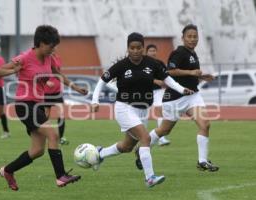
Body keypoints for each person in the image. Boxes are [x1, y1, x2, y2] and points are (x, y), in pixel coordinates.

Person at [91, 32, 194, 188]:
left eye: (139, 47)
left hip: (142, 111)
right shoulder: (122, 65)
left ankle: (100, 154)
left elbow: (167, 79)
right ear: (128, 49)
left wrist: (181, 89)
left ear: (143, 48)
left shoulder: (152, 63)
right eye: (132, 48)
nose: (135, 51)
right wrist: (94, 101)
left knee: (127, 146)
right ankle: (150, 177)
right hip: (124, 108)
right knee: (145, 138)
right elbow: (101, 81)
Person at [0, 25, 87, 191]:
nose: (53, 49)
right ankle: (60, 176)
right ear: (41, 43)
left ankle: (7, 171)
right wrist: (14, 69)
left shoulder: (48, 58)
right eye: (51, 46)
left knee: (37, 151)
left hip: (37, 105)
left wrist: (76, 87)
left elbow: (58, 74)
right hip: (24, 105)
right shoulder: (24, 57)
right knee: (53, 134)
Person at [145, 24, 219, 172]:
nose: (192, 39)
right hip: (174, 98)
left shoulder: (193, 53)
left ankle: (202, 161)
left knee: (205, 125)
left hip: (192, 96)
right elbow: (170, 72)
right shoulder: (178, 53)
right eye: (189, 36)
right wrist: (191, 73)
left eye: (195, 36)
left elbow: (190, 74)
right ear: (183, 38)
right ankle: (143, 147)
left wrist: (202, 76)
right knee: (164, 130)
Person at [145, 44, 170, 146]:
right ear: (146, 52)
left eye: (154, 50)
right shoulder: (142, 63)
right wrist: (156, 81)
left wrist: (166, 82)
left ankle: (161, 138)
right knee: (143, 114)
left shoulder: (160, 63)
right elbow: (142, 76)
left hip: (158, 92)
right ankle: (141, 136)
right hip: (144, 91)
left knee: (160, 111)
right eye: (150, 50)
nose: (152, 52)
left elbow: (166, 75)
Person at [43, 50, 68, 145]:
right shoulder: (45, 58)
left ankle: (61, 137)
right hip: (46, 92)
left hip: (57, 91)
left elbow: (58, 72)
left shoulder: (58, 58)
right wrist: (46, 82)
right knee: (46, 114)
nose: (53, 48)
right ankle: (44, 136)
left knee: (61, 114)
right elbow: (40, 72)